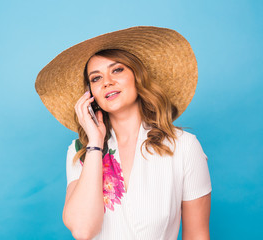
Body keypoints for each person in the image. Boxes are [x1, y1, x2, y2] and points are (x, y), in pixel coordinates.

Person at [35, 26, 212, 240]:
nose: (107, 81)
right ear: (90, 95)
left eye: (117, 70)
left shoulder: (183, 146)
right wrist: (94, 144)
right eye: (96, 78)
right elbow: (83, 231)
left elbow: (197, 235)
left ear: (137, 77)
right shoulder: (80, 151)